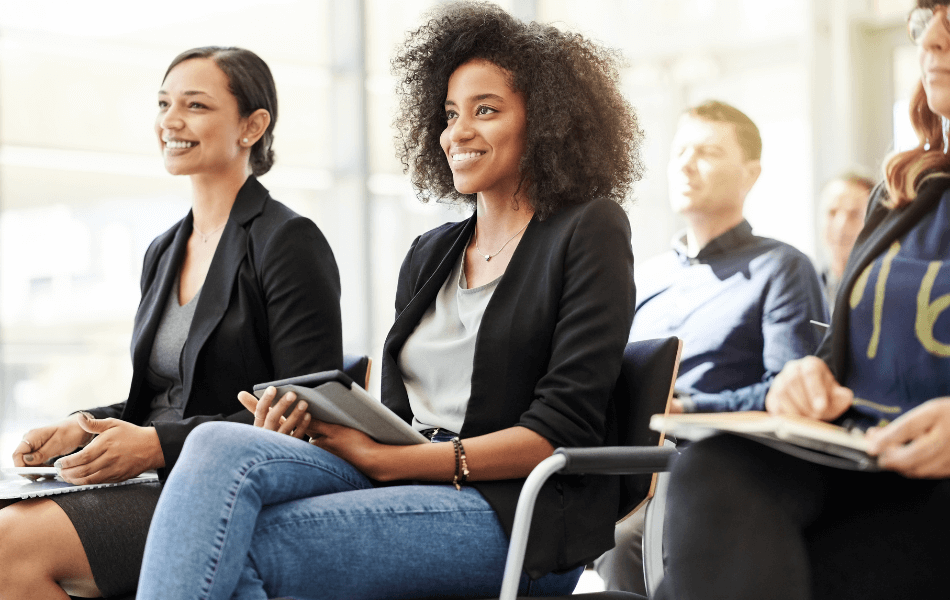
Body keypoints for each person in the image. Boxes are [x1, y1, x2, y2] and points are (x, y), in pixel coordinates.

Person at [136, 3, 642, 599]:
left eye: (487, 111)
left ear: (549, 121)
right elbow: (398, 418)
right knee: (217, 443)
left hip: (512, 511)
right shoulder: (432, 252)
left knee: (242, 544)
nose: (459, 132)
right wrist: (323, 425)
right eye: (451, 113)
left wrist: (387, 463)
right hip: (408, 473)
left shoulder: (588, 230)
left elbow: (558, 432)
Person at [0, 47, 343, 599]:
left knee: (9, 546)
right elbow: (167, 395)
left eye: (196, 105)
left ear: (252, 126)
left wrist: (159, 445)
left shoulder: (287, 242)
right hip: (154, 476)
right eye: (163, 103)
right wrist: (81, 427)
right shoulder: (164, 251)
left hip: (219, 487)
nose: (171, 121)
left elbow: (305, 409)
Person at [653, 3, 950, 598]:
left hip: (930, 490)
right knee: (713, 472)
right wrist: (804, 378)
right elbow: (841, 357)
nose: (934, 37)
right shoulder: (903, 196)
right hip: (855, 458)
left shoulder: (775, 267)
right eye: (924, 20)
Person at [593, 100, 828, 595]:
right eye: (680, 150)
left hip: (715, 464)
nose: (685, 163)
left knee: (626, 533)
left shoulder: (781, 268)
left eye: (708, 151)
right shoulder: (645, 276)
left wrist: (687, 409)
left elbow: (790, 395)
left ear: (751, 173)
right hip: (625, 463)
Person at [819, 171, 874, 311]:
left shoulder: (885, 290)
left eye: (855, 214)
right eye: (832, 212)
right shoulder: (808, 287)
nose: (840, 225)